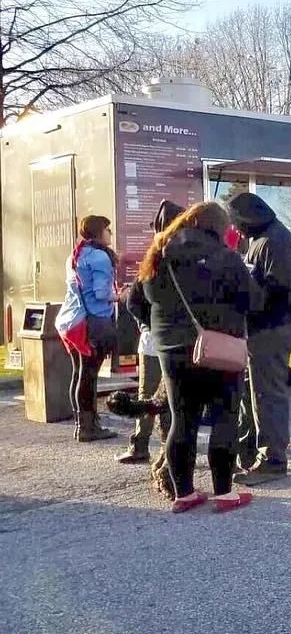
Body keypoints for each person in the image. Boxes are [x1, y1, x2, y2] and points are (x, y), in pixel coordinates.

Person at [138, 201, 258, 513]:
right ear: (220, 227)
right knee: (224, 417)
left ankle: (184, 494)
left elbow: (133, 300)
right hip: (218, 347)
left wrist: (159, 328)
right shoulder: (225, 257)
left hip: (171, 349)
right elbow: (251, 300)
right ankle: (223, 493)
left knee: (182, 419)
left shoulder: (158, 254)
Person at [227, 193, 291, 484]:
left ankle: (272, 459)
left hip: (273, 326)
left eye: (236, 223)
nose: (235, 230)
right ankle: (252, 452)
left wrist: (244, 288)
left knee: (267, 394)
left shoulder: (274, 240)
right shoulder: (265, 238)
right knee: (257, 392)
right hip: (268, 326)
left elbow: (278, 289)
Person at [119, 199, 185, 465]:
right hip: (173, 340)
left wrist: (150, 323)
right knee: (164, 397)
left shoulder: (157, 256)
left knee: (151, 397)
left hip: (158, 339)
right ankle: (156, 446)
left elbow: (133, 300)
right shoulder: (186, 254)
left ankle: (145, 446)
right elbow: (135, 300)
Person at [55, 215, 124, 442]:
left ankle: (81, 424)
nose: (110, 234)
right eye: (107, 229)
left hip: (70, 320)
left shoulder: (75, 255)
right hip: (90, 322)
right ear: (98, 232)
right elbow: (102, 295)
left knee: (79, 372)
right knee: (89, 376)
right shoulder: (99, 258)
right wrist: (122, 296)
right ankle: (88, 428)